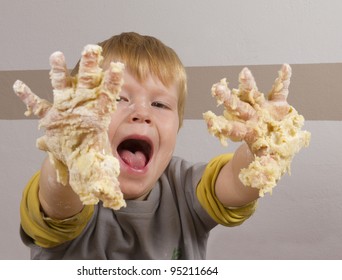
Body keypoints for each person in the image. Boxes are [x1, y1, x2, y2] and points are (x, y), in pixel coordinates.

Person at [15, 32, 291, 259]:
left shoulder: (184, 187)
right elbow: (58, 199)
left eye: (160, 104)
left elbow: (235, 183)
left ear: (178, 126)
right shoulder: (73, 192)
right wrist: (68, 153)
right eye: (118, 98)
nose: (142, 113)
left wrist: (260, 148)